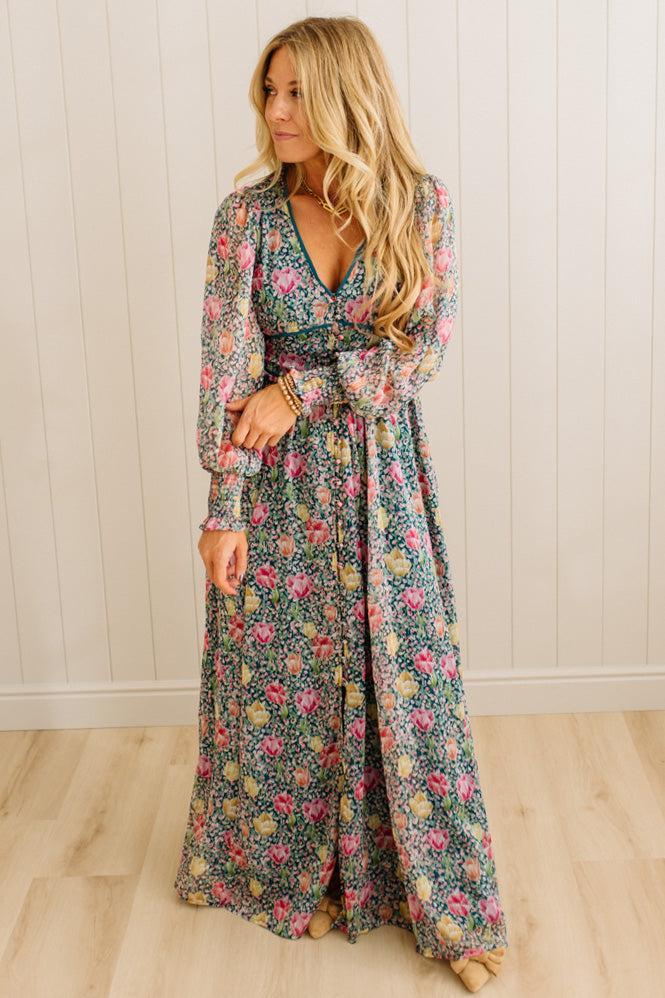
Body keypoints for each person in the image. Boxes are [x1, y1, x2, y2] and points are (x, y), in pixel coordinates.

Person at [173, 15, 509, 993]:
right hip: (275, 496)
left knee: (410, 688)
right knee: (281, 695)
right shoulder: (244, 220)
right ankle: (300, 875)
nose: (274, 112)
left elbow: (421, 349)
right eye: (267, 92)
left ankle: (447, 901)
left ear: (343, 95)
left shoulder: (419, 205)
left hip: (380, 486)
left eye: (293, 93)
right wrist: (223, 510)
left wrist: (300, 391)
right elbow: (224, 376)